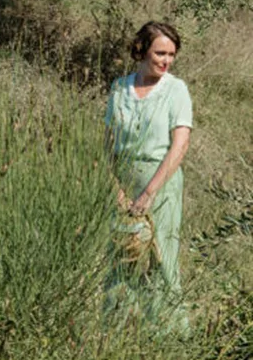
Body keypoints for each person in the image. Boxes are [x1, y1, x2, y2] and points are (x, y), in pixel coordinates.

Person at [103, 21, 193, 334]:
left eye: (171, 54)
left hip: (161, 182)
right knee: (121, 257)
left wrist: (149, 193)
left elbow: (180, 145)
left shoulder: (176, 89)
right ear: (142, 50)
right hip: (123, 182)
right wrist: (116, 191)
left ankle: (170, 336)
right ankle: (114, 333)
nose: (165, 60)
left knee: (161, 259)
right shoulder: (119, 88)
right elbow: (107, 147)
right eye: (159, 53)